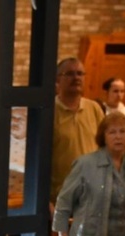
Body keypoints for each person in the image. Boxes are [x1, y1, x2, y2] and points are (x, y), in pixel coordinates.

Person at [51, 57, 104, 202]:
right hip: (61, 196)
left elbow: (105, 148)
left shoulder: (94, 109)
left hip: (93, 194)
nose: (76, 78)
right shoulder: (50, 111)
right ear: (57, 80)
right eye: (69, 74)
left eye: (80, 74)